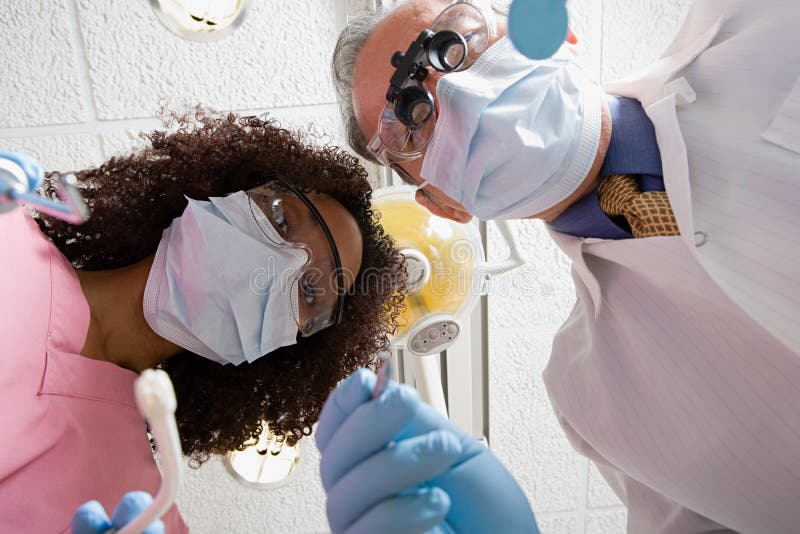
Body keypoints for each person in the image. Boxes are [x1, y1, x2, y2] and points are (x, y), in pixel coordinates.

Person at [321, 0, 800, 532]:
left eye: (455, 43)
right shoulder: (592, 396)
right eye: (411, 119)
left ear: (558, 31)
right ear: (443, 204)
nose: (454, 94)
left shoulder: (764, 21)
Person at [0, 109, 407, 532]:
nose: (278, 265)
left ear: (285, 348)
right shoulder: (7, 234)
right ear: (227, 191)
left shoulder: (140, 511)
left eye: (309, 290)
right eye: (282, 220)